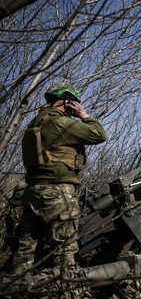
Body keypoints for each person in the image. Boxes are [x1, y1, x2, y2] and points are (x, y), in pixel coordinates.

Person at [11, 83, 106, 275]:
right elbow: (99, 134)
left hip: (33, 192)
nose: (76, 106)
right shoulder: (59, 123)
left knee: (26, 253)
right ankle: (63, 289)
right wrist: (83, 114)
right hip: (57, 193)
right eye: (75, 102)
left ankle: (17, 287)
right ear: (67, 101)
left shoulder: (36, 123)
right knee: (64, 253)